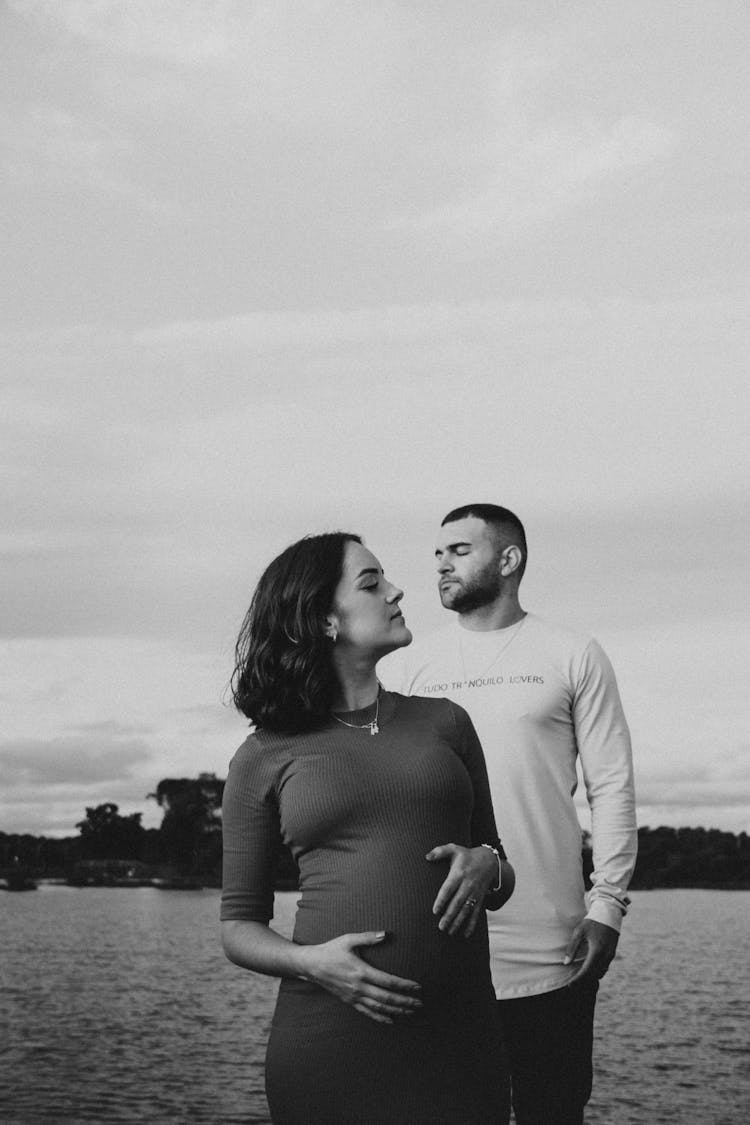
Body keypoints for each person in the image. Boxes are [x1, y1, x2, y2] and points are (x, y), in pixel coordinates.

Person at [220, 531, 515, 1125]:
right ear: (325, 621)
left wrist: (488, 862)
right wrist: (311, 962)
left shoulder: (446, 723)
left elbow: (501, 873)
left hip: (461, 1043)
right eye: (372, 582)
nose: (398, 590)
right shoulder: (264, 754)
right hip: (331, 1044)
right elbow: (238, 928)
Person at [380, 504, 637, 1125]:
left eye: (459, 550)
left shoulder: (573, 653)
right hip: (440, 943)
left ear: (509, 560)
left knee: (553, 1110)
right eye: (437, 552)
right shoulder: (410, 665)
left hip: (555, 944)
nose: (440, 563)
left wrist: (608, 904)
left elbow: (612, 785)